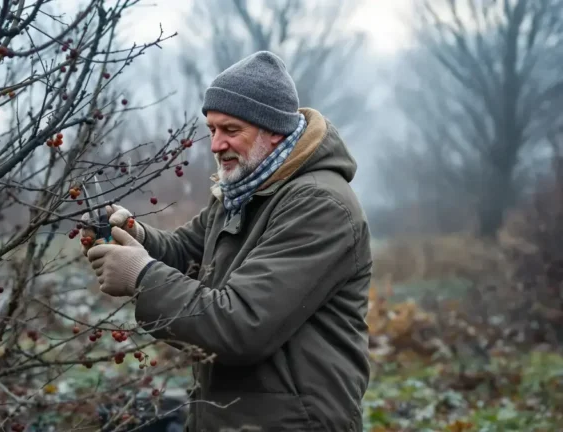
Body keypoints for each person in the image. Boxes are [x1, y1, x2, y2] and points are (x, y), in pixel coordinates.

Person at [83, 51, 372, 432]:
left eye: (231, 130)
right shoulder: (244, 190)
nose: (216, 145)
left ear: (274, 131)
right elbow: (187, 254)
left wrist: (140, 276)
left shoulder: (320, 205)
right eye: (212, 130)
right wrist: (135, 235)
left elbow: (241, 325)